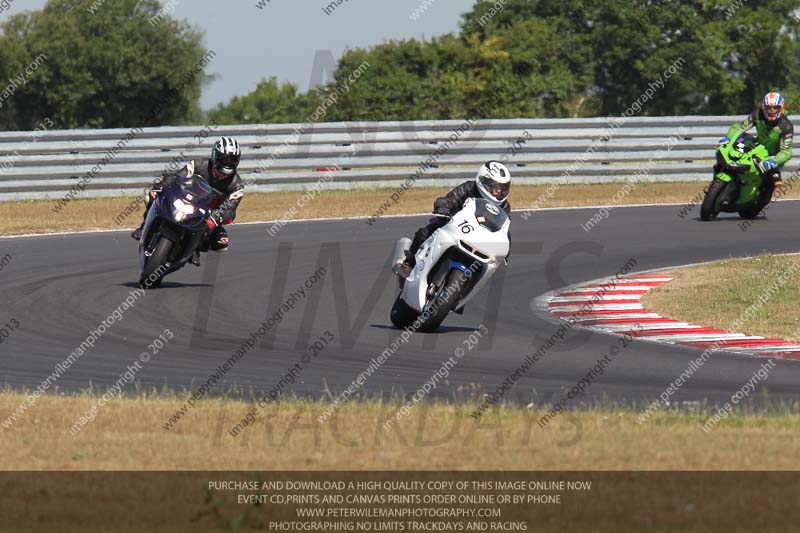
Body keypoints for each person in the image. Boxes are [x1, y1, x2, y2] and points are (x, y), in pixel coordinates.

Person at [131, 137, 244, 263]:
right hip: (189, 200)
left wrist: (216, 217)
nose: (228, 163)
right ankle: (143, 227)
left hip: (209, 212)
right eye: (225, 159)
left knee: (221, 241)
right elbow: (178, 177)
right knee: (151, 197)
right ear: (216, 156)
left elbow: (230, 209)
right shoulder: (198, 164)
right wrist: (162, 185)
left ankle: (194, 249)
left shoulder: (237, 185)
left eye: (232, 160)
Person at [393, 160, 511, 280]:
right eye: (495, 186)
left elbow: (504, 230)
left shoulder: (504, 207)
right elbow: (448, 200)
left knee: (489, 263)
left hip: (479, 238)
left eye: (502, 187)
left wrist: (506, 248)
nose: (499, 191)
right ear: (483, 181)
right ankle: (409, 264)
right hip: (455, 224)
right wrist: (443, 208)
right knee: (425, 232)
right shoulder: (469, 188)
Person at [719, 91, 793, 186]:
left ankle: (770, 181)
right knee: (744, 142)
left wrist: (774, 161)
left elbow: (786, 152)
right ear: (763, 107)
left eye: (775, 108)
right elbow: (740, 127)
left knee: (774, 179)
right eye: (768, 108)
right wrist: (728, 137)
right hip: (758, 149)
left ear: (781, 108)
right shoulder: (757, 114)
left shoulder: (786, 126)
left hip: (773, 156)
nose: (771, 110)